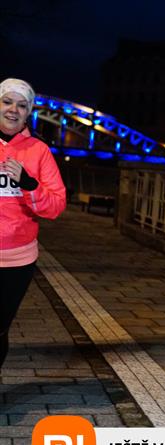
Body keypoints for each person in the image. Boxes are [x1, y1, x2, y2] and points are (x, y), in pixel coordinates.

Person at [0, 78, 66, 369]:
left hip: (17, 259)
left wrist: (28, 184)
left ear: (28, 113)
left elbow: (56, 206)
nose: (13, 110)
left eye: (22, 105)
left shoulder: (38, 151)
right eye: (7, 102)